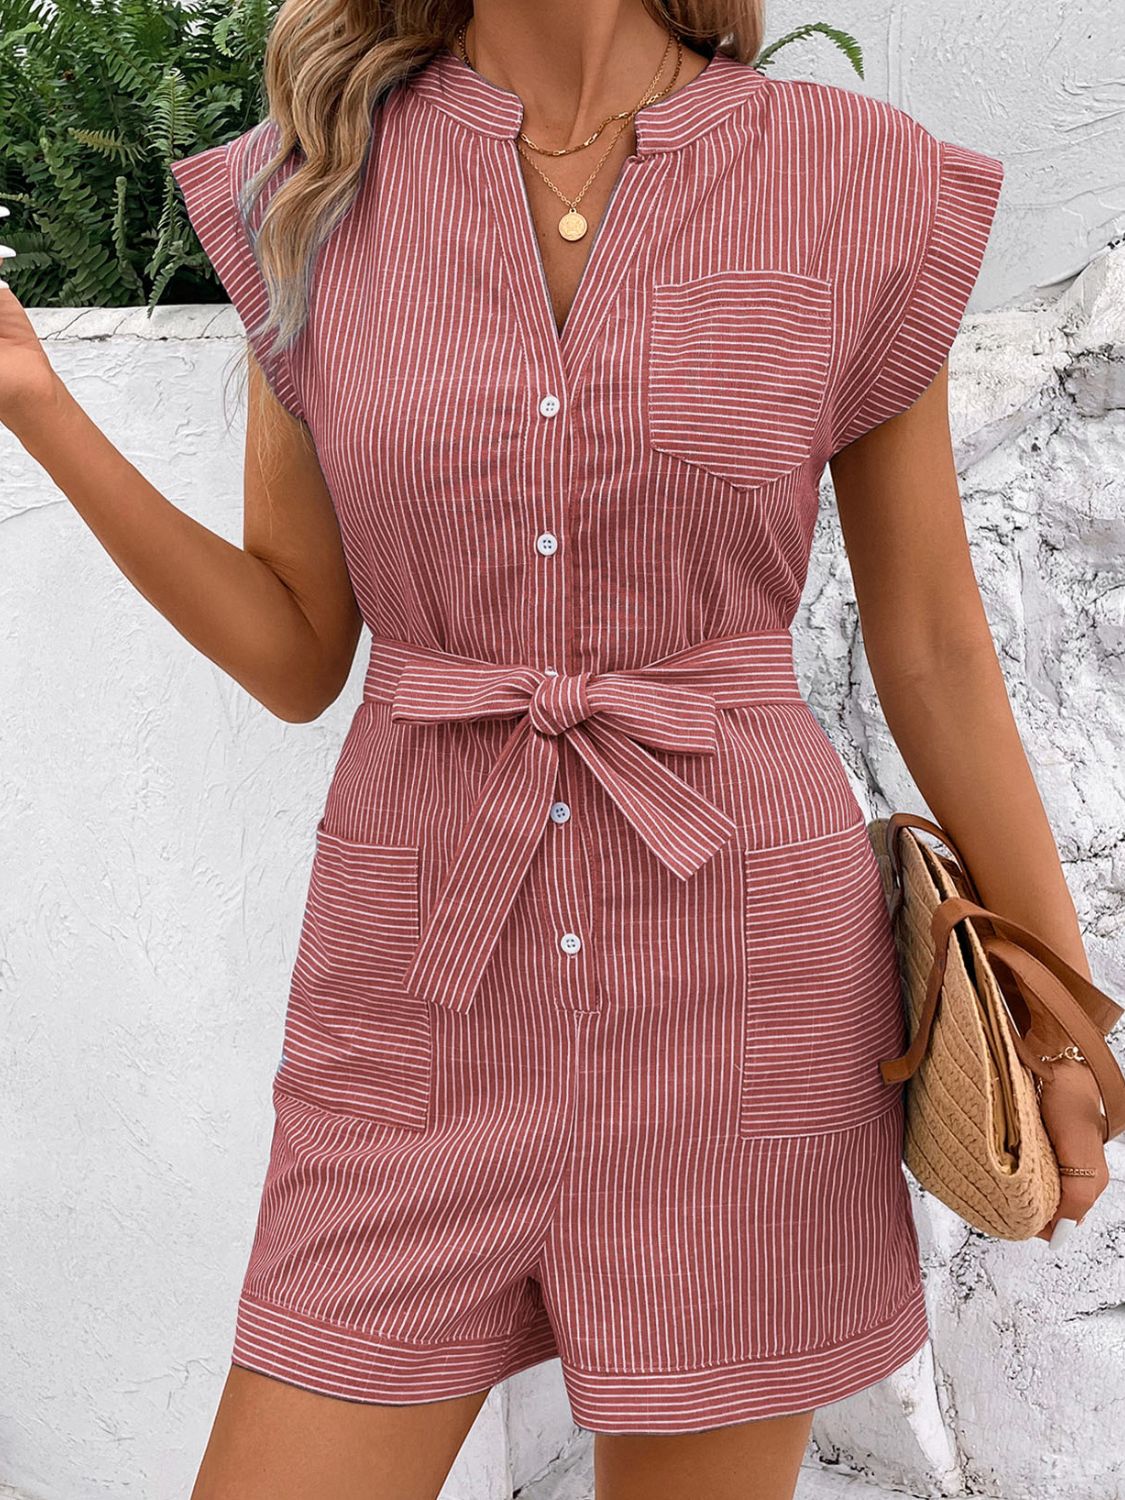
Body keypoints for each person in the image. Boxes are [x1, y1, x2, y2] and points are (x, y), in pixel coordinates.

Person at [1, 3, 1111, 1498]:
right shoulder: (311, 181)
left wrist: (1057, 1015)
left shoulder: (855, 178)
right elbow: (296, 651)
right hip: (415, 992)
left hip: (742, 990)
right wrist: (35, 404)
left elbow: (930, 647)